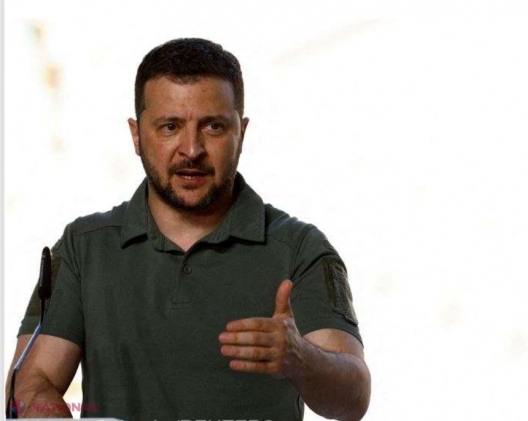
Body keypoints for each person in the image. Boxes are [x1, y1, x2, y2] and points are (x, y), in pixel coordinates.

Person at [5, 38, 371, 421]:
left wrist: (300, 358)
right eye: (170, 127)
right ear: (136, 135)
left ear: (241, 133)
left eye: (213, 126)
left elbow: (354, 399)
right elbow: (30, 385)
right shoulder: (83, 248)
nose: (191, 149)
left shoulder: (300, 249)